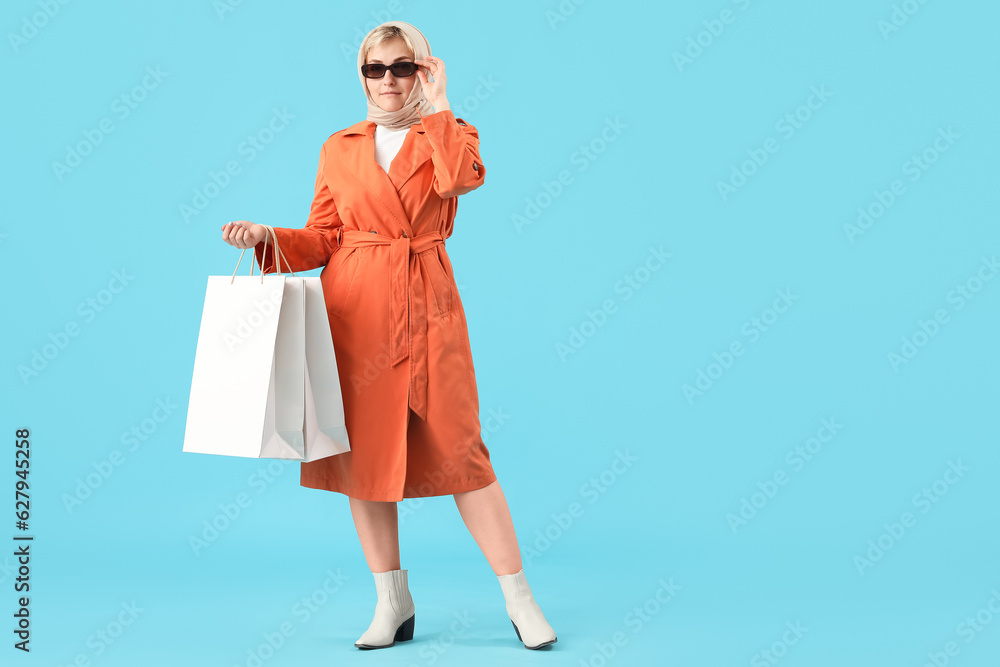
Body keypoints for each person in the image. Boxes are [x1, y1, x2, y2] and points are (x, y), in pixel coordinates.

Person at [219, 21, 557, 651]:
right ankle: (391, 601)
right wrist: (269, 238)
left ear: (423, 71)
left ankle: (519, 598)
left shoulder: (452, 135)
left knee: (463, 454)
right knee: (365, 460)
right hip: (357, 312)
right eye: (376, 69)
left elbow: (459, 182)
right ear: (362, 76)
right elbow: (323, 237)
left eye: (404, 67)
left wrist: (444, 103)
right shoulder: (340, 146)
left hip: (427, 303)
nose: (389, 81)